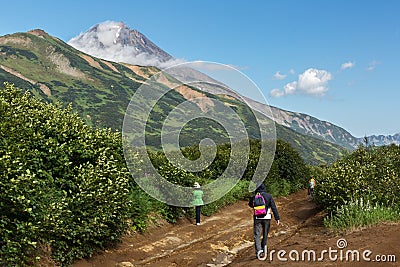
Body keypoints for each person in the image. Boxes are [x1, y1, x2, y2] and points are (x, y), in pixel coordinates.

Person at [248, 183, 280, 260]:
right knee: (265, 234)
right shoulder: (268, 196)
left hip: (257, 218)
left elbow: (250, 204)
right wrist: (277, 218)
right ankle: (264, 248)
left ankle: (259, 251)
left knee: (257, 235)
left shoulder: (254, 196)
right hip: (267, 218)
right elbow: (273, 207)